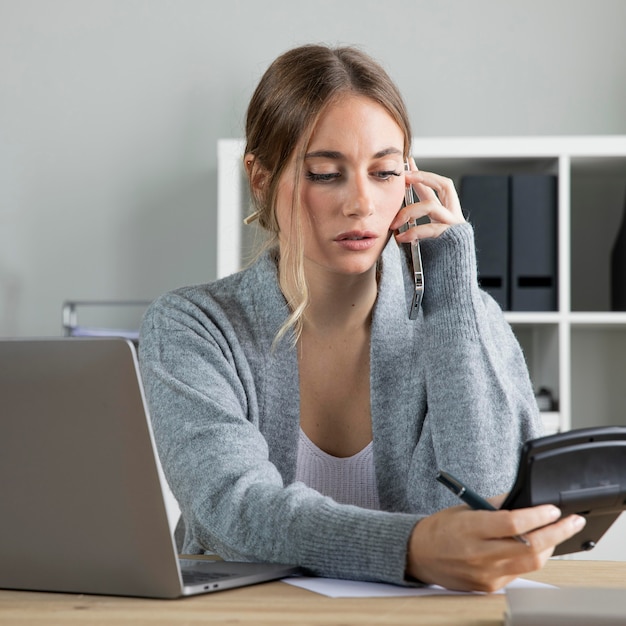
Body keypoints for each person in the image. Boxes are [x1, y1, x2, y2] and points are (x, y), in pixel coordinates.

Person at [138, 43, 585, 592]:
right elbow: (234, 511)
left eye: (385, 172)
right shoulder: (194, 326)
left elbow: (489, 496)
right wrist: (411, 548)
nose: (361, 203)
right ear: (259, 178)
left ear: (411, 178)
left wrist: (452, 289)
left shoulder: (463, 316)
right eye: (326, 173)